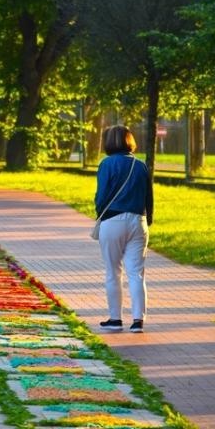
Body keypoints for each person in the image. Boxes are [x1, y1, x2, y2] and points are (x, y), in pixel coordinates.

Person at [94, 124, 153, 333]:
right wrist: (147, 219)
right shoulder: (141, 165)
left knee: (113, 272)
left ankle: (115, 319)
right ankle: (138, 321)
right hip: (138, 220)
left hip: (113, 220)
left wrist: (100, 213)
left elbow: (101, 196)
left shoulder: (107, 164)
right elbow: (149, 196)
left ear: (109, 141)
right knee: (136, 273)